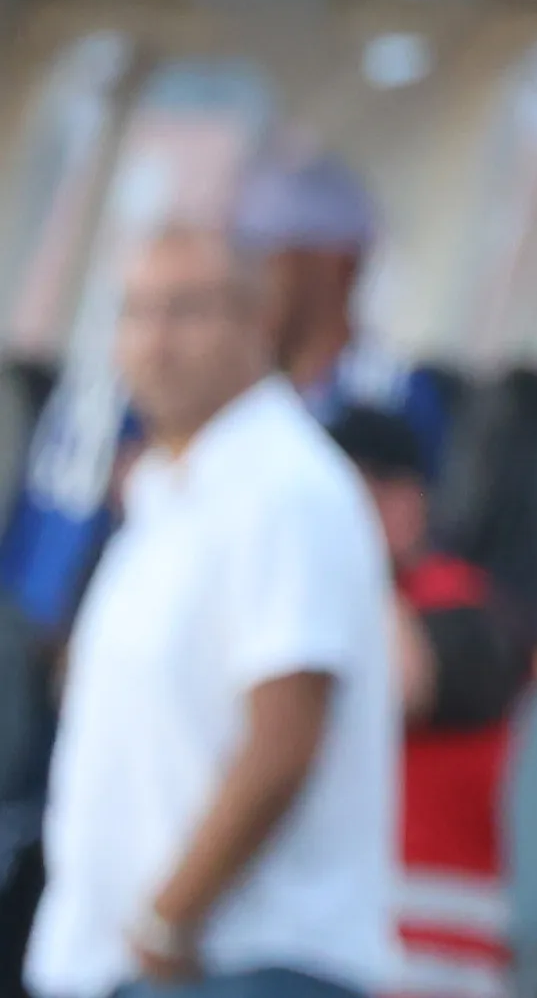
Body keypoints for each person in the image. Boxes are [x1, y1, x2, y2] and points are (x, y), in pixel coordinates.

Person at [27, 225, 397, 998]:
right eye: (136, 312)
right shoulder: (169, 493)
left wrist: (166, 921)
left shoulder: (286, 487)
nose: (154, 341)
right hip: (128, 963)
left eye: (185, 310)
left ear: (258, 319)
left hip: (239, 962)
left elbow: (284, 737)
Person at [329, 409, 524, 998]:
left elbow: (403, 685)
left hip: (436, 949)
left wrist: (351, 560)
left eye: (379, 489)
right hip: (356, 936)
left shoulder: (461, 606)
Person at [232, 152, 448, 476]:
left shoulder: (400, 397)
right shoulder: (229, 387)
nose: (253, 280)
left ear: (337, 266)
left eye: (273, 258)